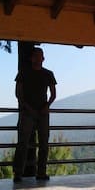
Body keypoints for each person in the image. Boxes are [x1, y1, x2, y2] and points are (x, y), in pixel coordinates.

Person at [13, 46, 57, 182]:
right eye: (36, 56)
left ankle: (40, 172)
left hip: (39, 112)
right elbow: (18, 93)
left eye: (40, 56)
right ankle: (18, 173)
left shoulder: (48, 74)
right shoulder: (23, 73)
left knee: (43, 143)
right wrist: (29, 107)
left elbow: (53, 94)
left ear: (43, 58)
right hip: (30, 112)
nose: (38, 58)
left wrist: (46, 106)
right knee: (23, 143)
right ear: (31, 58)